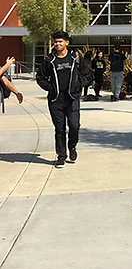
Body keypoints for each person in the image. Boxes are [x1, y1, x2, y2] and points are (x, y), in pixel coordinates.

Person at [36, 31, 92, 168]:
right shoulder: (49, 59)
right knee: (59, 129)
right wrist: (51, 88)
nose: (57, 44)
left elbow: (87, 74)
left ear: (67, 42)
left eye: (60, 41)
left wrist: (79, 85)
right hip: (56, 100)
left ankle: (72, 146)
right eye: (56, 42)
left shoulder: (75, 57)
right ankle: (61, 156)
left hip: (72, 98)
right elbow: (40, 77)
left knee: (74, 125)